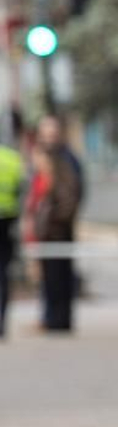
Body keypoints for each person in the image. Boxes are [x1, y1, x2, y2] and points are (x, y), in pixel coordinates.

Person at [27, 141, 79, 333]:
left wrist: (53, 223)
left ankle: (59, 320)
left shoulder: (60, 177)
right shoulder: (41, 178)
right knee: (48, 280)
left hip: (56, 235)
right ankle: (51, 318)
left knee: (58, 279)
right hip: (45, 235)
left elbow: (67, 203)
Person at [0, 131, 21, 338]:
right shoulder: (12, 159)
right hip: (8, 222)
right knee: (4, 274)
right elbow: (21, 190)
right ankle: (2, 322)